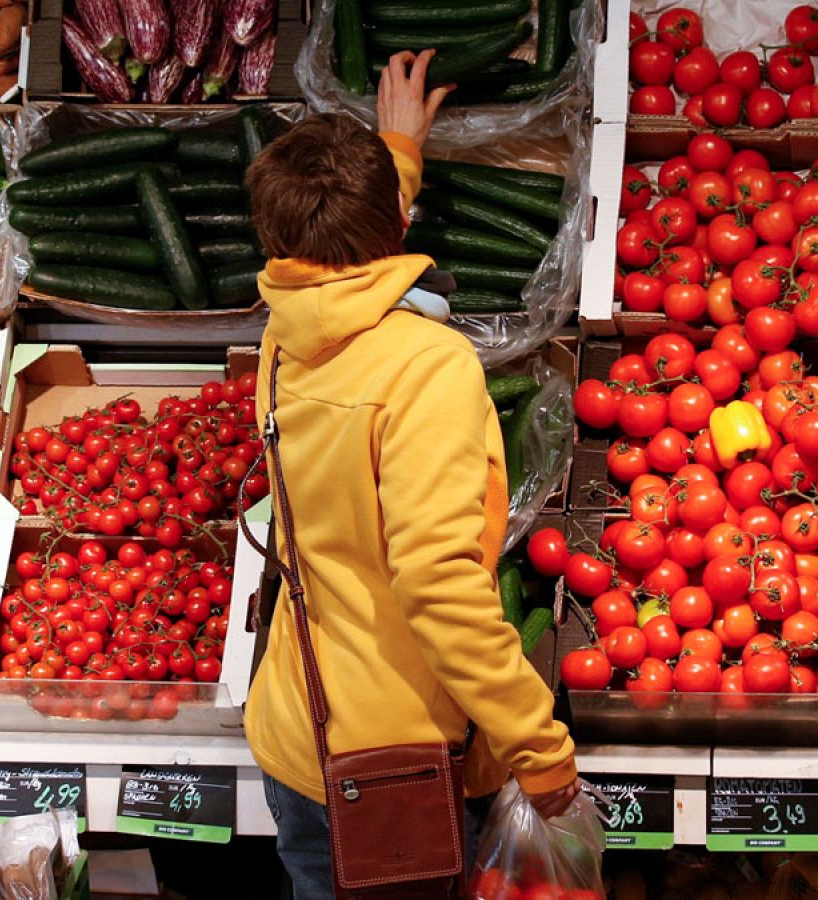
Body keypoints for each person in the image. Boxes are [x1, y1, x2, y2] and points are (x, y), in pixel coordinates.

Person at [242, 50, 581, 898]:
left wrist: (397, 152)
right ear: (390, 232)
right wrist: (540, 753)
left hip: (297, 728)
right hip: (397, 759)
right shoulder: (428, 366)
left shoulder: (282, 336)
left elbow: (334, 249)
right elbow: (437, 586)